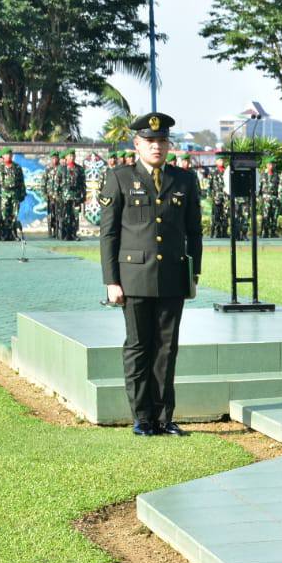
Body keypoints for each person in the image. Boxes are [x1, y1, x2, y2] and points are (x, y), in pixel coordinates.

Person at [99, 112, 202, 437]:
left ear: (168, 145)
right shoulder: (119, 178)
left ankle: (164, 417)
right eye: (150, 141)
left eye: (161, 141)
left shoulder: (184, 180)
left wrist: (193, 274)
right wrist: (111, 281)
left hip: (172, 276)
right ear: (137, 144)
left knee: (167, 349)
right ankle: (142, 417)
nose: (156, 147)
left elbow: (194, 231)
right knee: (139, 346)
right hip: (133, 278)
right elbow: (109, 234)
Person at [0, 148, 26, 241]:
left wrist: (22, 193)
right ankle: (4, 234)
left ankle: (13, 233)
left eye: (10, 154)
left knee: (14, 214)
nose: (8, 156)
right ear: (3, 156)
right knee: (4, 215)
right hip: (3, 194)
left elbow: (21, 181)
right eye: (6, 154)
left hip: (14, 193)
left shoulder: (17, 167)